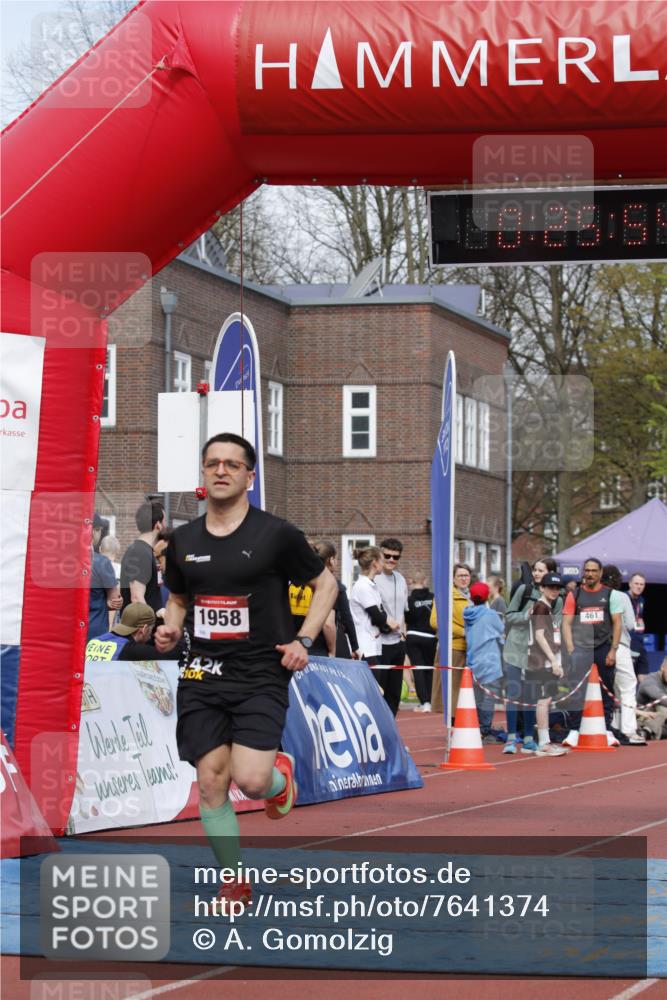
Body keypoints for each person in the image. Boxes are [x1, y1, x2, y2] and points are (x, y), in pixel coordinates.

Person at [155, 432, 337, 911]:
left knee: (251, 782)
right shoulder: (184, 540)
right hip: (202, 671)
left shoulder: (275, 535)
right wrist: (170, 630)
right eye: (213, 463)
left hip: (260, 670)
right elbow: (177, 599)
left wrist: (304, 640)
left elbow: (326, 584)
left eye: (232, 465)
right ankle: (234, 882)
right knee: (211, 780)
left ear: (249, 477)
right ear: (202, 472)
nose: (221, 471)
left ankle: (279, 778)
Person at [561, 557, 623, 749]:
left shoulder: (611, 594)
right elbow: (566, 623)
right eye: (587, 570)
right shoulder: (575, 594)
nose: (589, 574)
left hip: (603, 647)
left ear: (600, 573)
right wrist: (570, 648)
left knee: (607, 688)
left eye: (593, 571)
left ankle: (607, 730)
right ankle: (573, 731)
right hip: (580, 648)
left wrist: (613, 650)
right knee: (576, 689)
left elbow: (617, 623)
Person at [502, 558, 561, 753]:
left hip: (536, 653)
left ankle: (528, 736)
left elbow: (556, 625)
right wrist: (526, 616)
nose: (536, 573)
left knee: (531, 694)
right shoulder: (524, 590)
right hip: (516, 647)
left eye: (541, 570)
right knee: (513, 692)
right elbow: (509, 615)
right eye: (535, 570)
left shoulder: (556, 599)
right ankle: (511, 737)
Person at [601, 565, 646, 745]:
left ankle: (612, 728)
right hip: (619, 646)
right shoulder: (621, 597)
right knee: (627, 687)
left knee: (608, 689)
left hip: (597, 647)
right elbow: (628, 624)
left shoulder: (594, 596)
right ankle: (628, 730)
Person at [525, 573, 568, 756]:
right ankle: (544, 743)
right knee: (543, 702)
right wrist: (553, 661)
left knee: (546, 701)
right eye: (550, 587)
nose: (554, 590)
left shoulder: (545, 607)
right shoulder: (541, 607)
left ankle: (544, 741)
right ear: (542, 588)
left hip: (544, 661)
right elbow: (539, 636)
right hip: (540, 662)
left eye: (557, 588)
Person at [463, 581, 505, 741]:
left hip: (473, 659)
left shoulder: (467, 613)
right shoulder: (491, 615)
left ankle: (477, 726)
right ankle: (485, 729)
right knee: (489, 696)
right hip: (490, 661)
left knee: (477, 696)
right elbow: (501, 631)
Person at [431, 563, 472, 720]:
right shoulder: (445, 595)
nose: (463, 578)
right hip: (453, 648)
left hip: (472, 649)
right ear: (453, 579)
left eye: (466, 575)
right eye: (460, 575)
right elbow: (436, 621)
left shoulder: (473, 597)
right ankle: (453, 724)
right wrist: (462, 631)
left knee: (466, 691)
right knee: (453, 690)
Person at [374, 537, 410, 717]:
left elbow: (404, 611)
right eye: (387, 555)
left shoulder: (401, 579)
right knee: (379, 692)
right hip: (379, 644)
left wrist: (403, 633)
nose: (391, 560)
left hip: (397, 643)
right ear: (380, 554)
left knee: (394, 693)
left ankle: (390, 734)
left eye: (395, 557)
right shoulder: (373, 579)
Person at [349, 546, 399, 672]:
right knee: (372, 689)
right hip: (366, 647)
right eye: (382, 560)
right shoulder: (362, 586)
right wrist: (391, 622)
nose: (384, 563)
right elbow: (377, 616)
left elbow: (381, 613)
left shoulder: (371, 585)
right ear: (374, 563)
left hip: (375, 645)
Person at [311, 541, 359, 659]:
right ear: (331, 560)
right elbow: (331, 623)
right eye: (336, 559)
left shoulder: (300, 584)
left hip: (304, 645)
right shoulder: (333, 586)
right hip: (326, 646)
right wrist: (354, 646)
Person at [288, 544, 337, 657]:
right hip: (316, 647)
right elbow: (328, 624)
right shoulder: (324, 587)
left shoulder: (291, 583)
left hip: (291, 647)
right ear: (330, 560)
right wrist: (332, 651)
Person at [86, 602, 178, 661]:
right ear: (144, 629)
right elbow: (174, 654)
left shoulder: (94, 641)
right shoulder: (132, 651)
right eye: (151, 629)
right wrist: (172, 623)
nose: (151, 635)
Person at [120, 500, 166, 615]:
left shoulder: (143, 550)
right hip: (141, 630)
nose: (166, 526)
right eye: (164, 522)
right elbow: (136, 598)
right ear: (158, 525)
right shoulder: (140, 552)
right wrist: (147, 625)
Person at [405, 571, 437, 712]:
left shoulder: (409, 600)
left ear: (411, 581)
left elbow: (405, 618)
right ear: (425, 581)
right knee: (429, 669)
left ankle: (424, 702)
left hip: (413, 636)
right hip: (430, 637)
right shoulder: (433, 598)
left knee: (418, 669)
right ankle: (430, 700)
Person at [88, 514, 122, 641]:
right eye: (99, 530)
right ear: (94, 531)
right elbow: (114, 601)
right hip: (95, 632)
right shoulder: (102, 563)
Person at [636, 656, 667, 740]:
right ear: (662, 667)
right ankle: (646, 731)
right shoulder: (649, 681)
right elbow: (661, 698)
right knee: (661, 707)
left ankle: (650, 732)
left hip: (661, 722)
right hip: (643, 717)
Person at [628, 572, 649, 679]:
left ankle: (644, 696)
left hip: (639, 642)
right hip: (628, 644)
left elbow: (638, 618)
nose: (639, 587)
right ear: (630, 584)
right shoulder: (624, 598)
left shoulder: (641, 600)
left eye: (642, 584)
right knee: (630, 678)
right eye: (636, 583)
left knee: (643, 675)